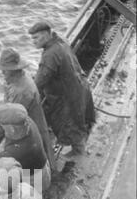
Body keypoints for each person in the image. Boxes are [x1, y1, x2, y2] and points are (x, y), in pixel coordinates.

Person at [29, 21, 95, 157]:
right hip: (79, 86)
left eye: (36, 38)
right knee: (78, 121)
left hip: (69, 97)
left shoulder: (49, 55)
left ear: (47, 35)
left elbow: (38, 83)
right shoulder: (60, 42)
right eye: (32, 38)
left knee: (72, 126)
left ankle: (78, 154)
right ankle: (78, 149)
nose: (33, 42)